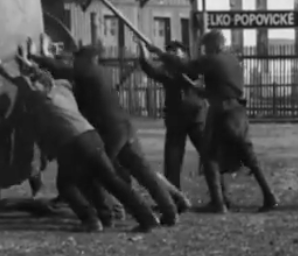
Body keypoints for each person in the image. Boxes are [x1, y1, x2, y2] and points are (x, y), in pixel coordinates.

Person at [0, 39, 159, 232]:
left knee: (67, 187)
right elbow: (41, 76)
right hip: (92, 137)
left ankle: (91, 220)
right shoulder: (64, 87)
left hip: (72, 144)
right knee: (110, 181)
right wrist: (29, 64)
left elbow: (15, 77)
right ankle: (142, 218)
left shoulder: (38, 95)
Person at [28, 36, 180, 226]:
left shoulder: (89, 71)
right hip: (124, 126)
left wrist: (35, 56)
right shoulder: (97, 73)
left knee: (99, 173)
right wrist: (45, 56)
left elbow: (62, 70)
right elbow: (61, 75)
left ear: (87, 59)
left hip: (110, 131)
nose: (75, 62)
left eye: (78, 58)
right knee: (142, 172)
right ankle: (169, 210)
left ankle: (112, 212)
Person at [150, 29, 277, 213]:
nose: (204, 50)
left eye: (206, 46)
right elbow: (224, 87)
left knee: (209, 157)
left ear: (214, 45)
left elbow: (186, 66)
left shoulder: (212, 59)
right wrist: (201, 91)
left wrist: (160, 54)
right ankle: (269, 195)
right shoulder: (232, 60)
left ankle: (218, 203)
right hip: (239, 112)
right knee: (250, 156)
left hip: (222, 113)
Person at [138, 40, 207, 191]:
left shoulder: (191, 66)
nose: (173, 53)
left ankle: (220, 196)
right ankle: (174, 195)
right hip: (176, 118)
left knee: (207, 154)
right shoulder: (167, 70)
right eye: (170, 51)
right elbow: (150, 69)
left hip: (196, 116)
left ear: (184, 53)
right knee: (172, 160)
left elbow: (191, 71)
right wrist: (143, 52)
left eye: (177, 51)